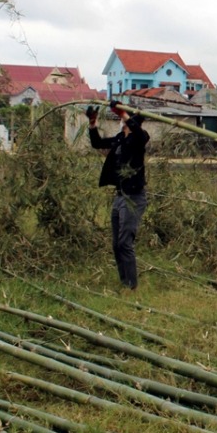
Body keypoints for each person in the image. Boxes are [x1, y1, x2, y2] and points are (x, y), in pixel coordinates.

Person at [86, 100, 150, 290]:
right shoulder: (120, 138)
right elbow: (97, 143)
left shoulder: (139, 138)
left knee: (125, 242)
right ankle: (124, 282)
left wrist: (124, 114)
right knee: (116, 244)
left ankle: (131, 286)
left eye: (123, 120)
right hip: (120, 196)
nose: (120, 123)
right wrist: (92, 123)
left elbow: (139, 134)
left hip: (134, 198)